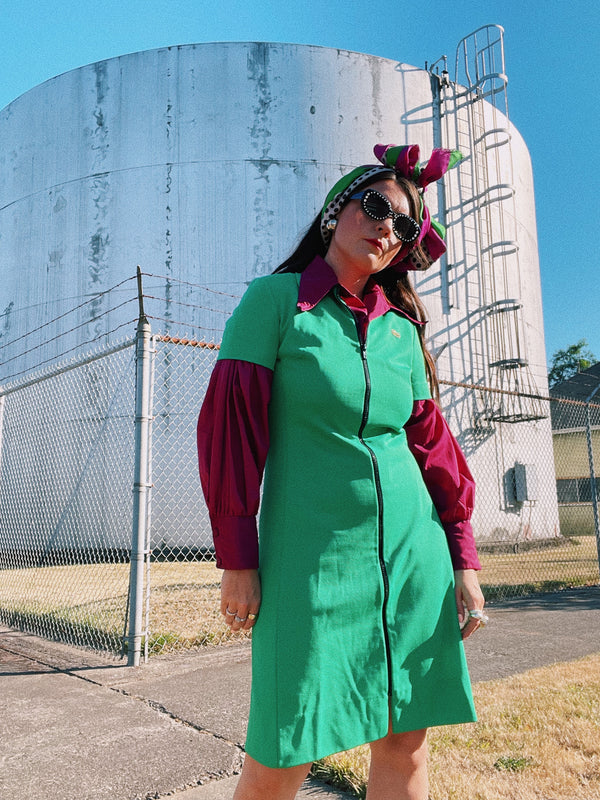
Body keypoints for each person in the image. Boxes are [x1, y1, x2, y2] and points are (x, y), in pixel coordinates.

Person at [197, 143, 486, 800]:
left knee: (405, 737)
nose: (388, 227)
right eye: (377, 206)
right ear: (336, 214)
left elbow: (433, 449)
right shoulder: (273, 303)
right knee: (285, 745)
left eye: (406, 226)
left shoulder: (401, 333)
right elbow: (231, 432)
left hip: (413, 559)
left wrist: (462, 559)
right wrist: (238, 558)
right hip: (311, 565)